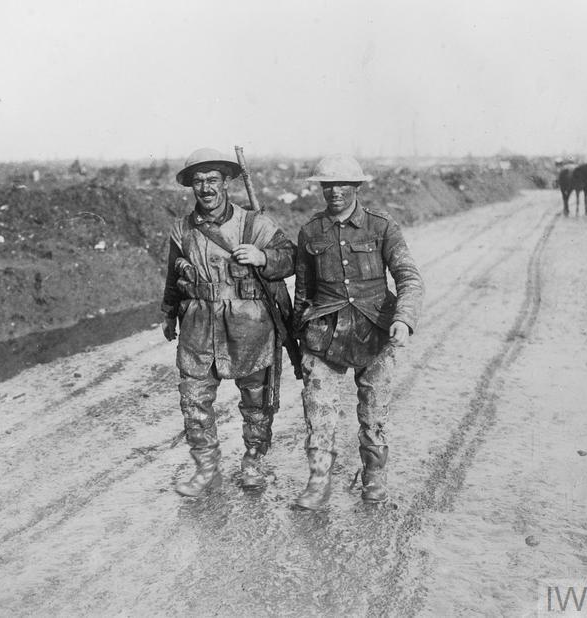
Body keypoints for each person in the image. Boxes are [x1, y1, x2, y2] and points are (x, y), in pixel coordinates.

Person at [161, 147, 296, 496]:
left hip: (250, 326)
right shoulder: (182, 230)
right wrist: (168, 314)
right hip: (198, 327)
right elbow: (174, 276)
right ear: (191, 187)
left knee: (257, 399)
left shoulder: (254, 224)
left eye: (213, 180)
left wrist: (262, 255)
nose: (206, 188)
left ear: (226, 183)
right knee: (193, 398)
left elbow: (291, 258)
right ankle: (206, 468)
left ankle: (253, 460)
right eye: (199, 181)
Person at [293, 154, 424, 510]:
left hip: (376, 329)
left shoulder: (382, 227)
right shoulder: (310, 232)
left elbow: (409, 277)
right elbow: (302, 294)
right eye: (327, 185)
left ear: (356, 187)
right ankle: (319, 482)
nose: (334, 191)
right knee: (318, 410)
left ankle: (374, 477)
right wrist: (299, 340)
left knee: (374, 412)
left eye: (342, 184)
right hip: (324, 333)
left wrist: (404, 318)